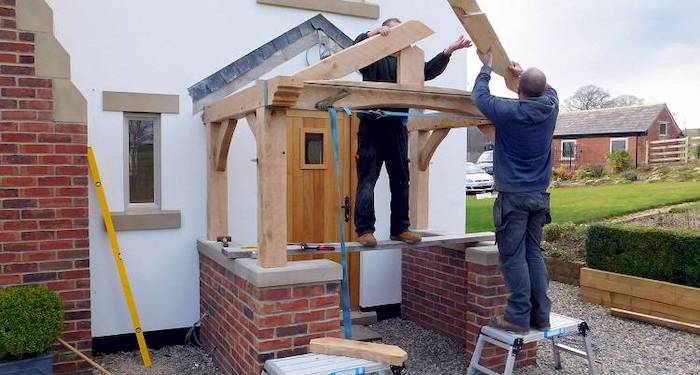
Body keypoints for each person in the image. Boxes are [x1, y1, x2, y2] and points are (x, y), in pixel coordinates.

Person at [353, 18, 473, 247]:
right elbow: (353, 53)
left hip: (396, 127)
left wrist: (447, 52)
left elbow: (426, 71)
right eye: (397, 33)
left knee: (400, 179)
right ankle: (365, 230)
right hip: (372, 126)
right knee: (368, 179)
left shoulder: (407, 60)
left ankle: (400, 228)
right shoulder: (372, 56)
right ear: (385, 32)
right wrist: (370, 34)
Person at [472, 47, 558, 333]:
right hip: (539, 197)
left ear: (518, 89)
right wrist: (524, 75)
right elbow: (550, 90)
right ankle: (541, 315)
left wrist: (486, 67)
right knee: (533, 253)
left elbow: (480, 97)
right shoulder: (551, 107)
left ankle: (518, 317)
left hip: (514, 199)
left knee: (513, 257)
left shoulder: (510, 113)